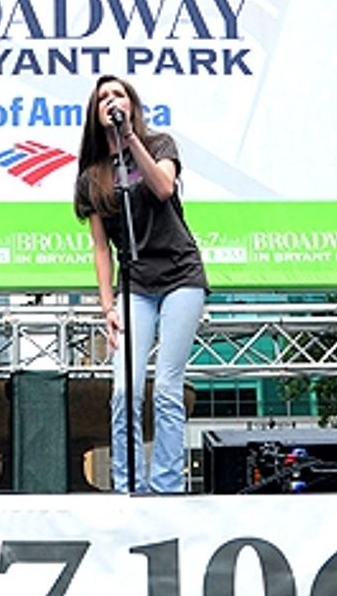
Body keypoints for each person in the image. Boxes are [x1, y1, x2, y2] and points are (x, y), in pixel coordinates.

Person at [74, 75, 207, 493]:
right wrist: (107, 306)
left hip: (180, 276)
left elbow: (164, 188)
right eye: (103, 98)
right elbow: (100, 248)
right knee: (124, 390)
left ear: (131, 104)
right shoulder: (91, 178)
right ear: (95, 115)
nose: (112, 101)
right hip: (135, 286)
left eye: (119, 94)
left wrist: (131, 140)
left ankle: (167, 486)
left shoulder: (159, 144)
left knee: (167, 386)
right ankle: (128, 485)